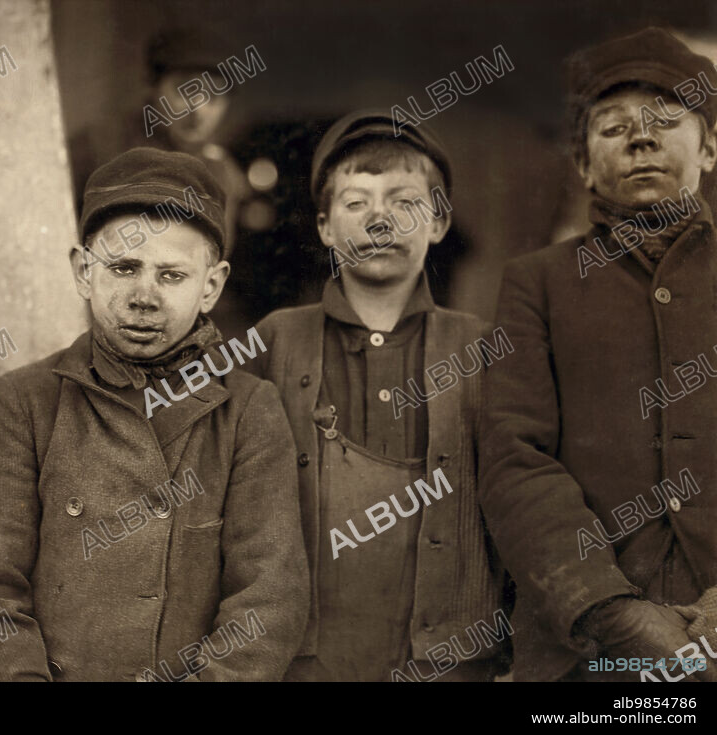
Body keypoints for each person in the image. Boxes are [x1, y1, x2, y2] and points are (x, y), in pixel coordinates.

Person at [0, 147, 309, 681]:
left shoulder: (249, 412)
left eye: (172, 275)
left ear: (211, 285)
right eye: (123, 267)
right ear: (82, 273)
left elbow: (267, 601)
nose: (144, 296)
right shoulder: (24, 403)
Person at [480, 27, 717, 682]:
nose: (640, 138)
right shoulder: (537, 282)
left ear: (712, 146)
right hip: (586, 654)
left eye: (666, 121)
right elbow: (515, 460)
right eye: (612, 128)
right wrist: (613, 610)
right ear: (583, 165)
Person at [244, 111, 512, 681]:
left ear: (439, 223)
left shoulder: (482, 349)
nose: (380, 220)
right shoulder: (273, 340)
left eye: (403, 201)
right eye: (357, 202)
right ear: (323, 226)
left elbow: (518, 503)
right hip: (304, 663)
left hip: (450, 664)